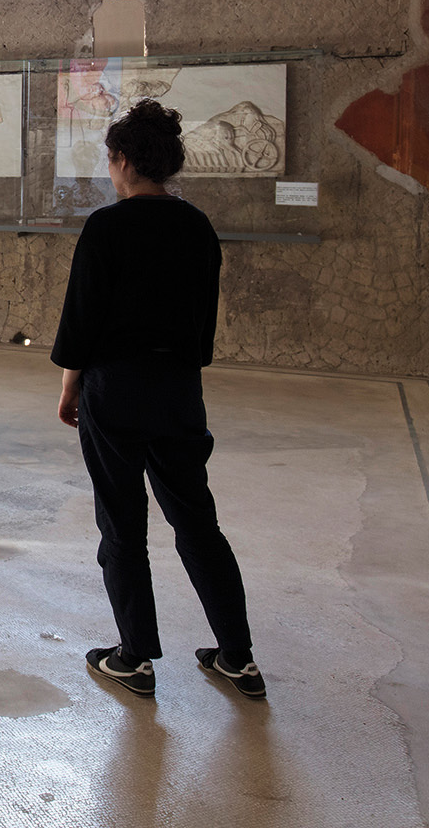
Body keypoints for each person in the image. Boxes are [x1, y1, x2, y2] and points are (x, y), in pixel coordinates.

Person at [52, 99, 265, 700]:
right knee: (197, 521)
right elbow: (202, 329)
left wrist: (71, 386)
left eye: (112, 160)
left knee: (122, 525)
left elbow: (81, 322)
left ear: (122, 161)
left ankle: (135, 658)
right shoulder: (196, 226)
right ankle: (238, 658)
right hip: (177, 393)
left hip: (113, 390)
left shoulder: (106, 227)